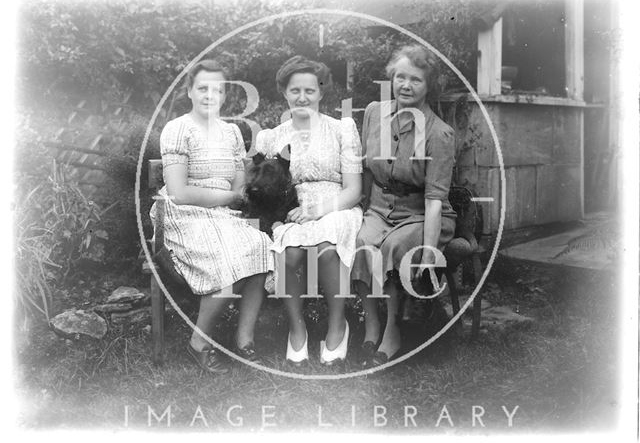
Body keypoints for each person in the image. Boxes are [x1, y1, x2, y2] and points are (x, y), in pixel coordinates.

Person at [151, 59, 273, 373]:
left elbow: (238, 183)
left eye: (216, 89)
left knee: (261, 247)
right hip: (184, 214)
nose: (210, 95)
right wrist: (232, 196)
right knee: (225, 258)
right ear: (190, 91)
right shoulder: (177, 129)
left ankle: (244, 342)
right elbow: (179, 192)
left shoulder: (232, 131)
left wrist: (237, 193)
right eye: (202, 88)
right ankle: (199, 342)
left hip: (222, 213)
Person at [351, 45, 457, 367]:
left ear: (429, 86)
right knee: (360, 243)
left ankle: (392, 330)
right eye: (400, 77)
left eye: (416, 79)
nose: (406, 85)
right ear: (391, 79)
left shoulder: (440, 133)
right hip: (380, 209)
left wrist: (428, 250)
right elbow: (366, 171)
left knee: (396, 247)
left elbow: (435, 199)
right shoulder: (373, 113)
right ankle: (371, 325)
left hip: (421, 214)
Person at [255, 56, 363, 366]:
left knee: (327, 249)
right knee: (289, 252)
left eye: (310, 91)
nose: (302, 97)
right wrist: (276, 220)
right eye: (295, 91)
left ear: (321, 92)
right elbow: (264, 190)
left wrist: (318, 210)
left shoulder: (342, 129)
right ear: (284, 92)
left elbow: (354, 190)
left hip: (336, 204)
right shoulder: (272, 137)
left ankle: (337, 326)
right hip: (293, 208)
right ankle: (297, 329)